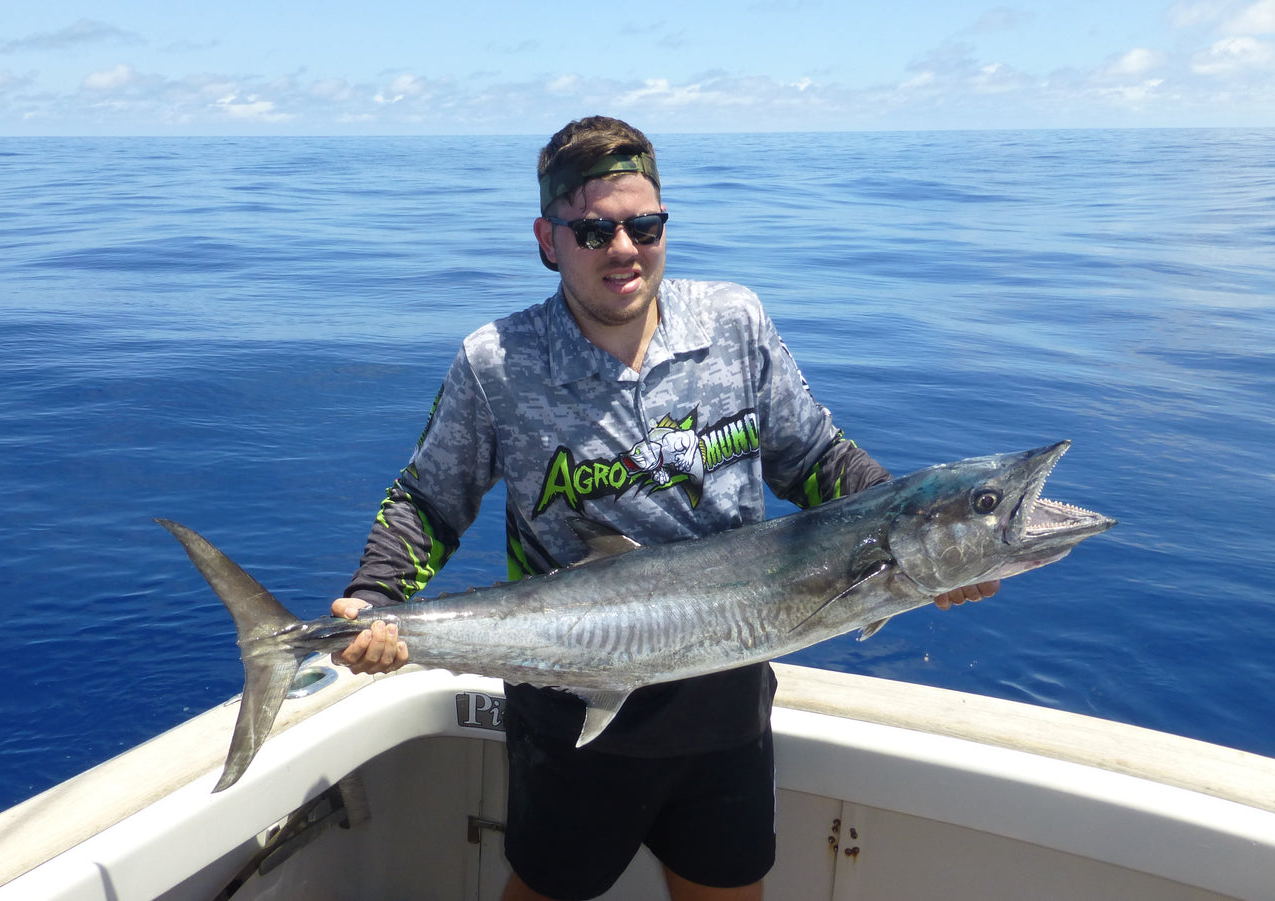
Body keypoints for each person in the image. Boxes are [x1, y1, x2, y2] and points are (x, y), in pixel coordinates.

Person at [328, 116, 998, 901]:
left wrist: (917, 541)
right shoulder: (498, 362)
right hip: (568, 707)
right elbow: (428, 501)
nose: (623, 248)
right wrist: (375, 598)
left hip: (725, 702)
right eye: (592, 231)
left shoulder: (734, 323)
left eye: (643, 225)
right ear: (548, 239)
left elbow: (816, 460)